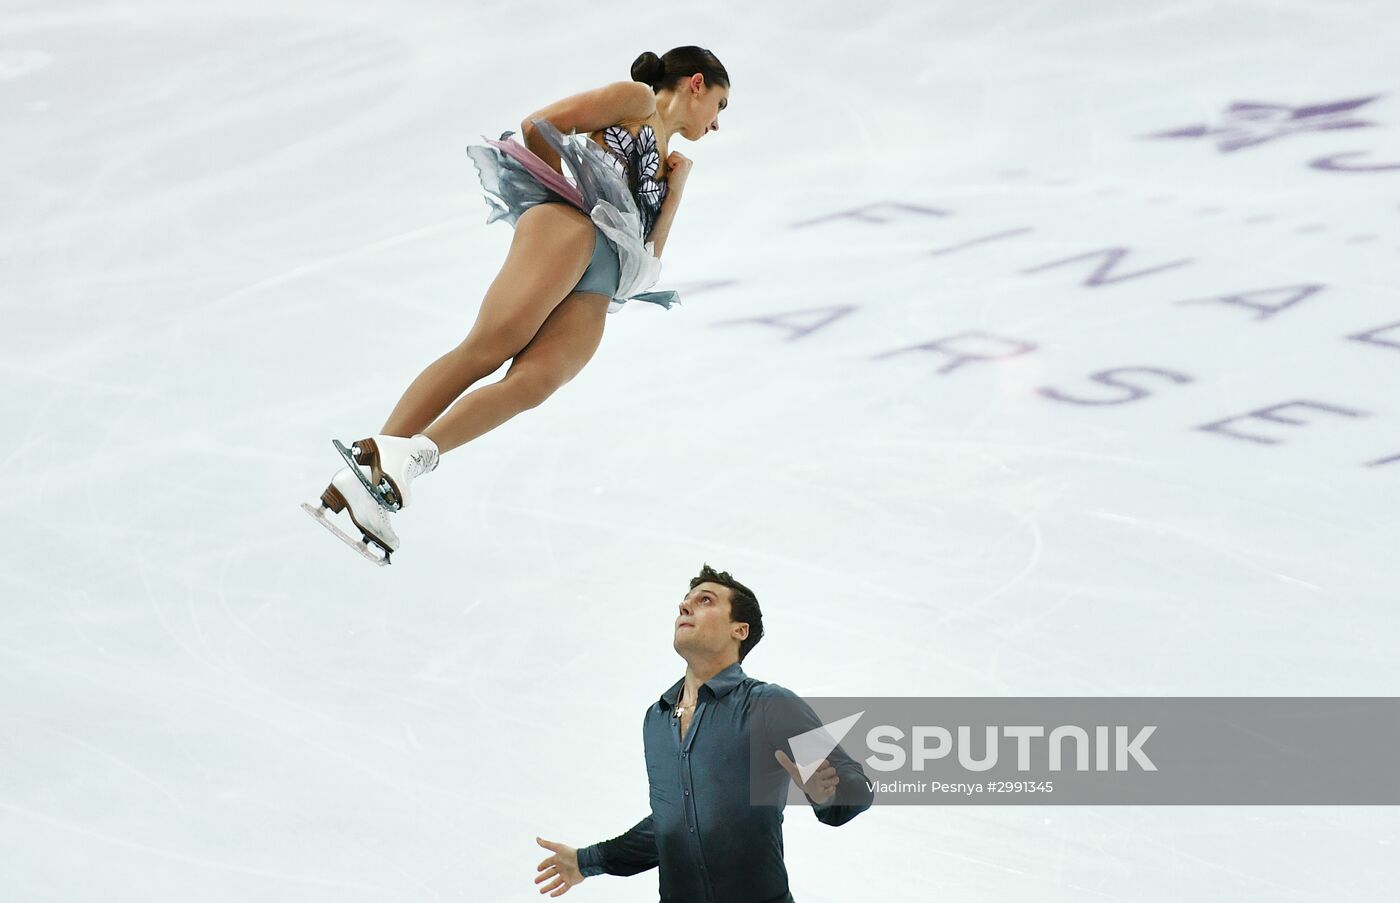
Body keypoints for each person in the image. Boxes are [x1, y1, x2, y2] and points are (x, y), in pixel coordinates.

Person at [305, 47, 731, 562]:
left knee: (534, 383)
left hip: (605, 278)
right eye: (720, 106)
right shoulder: (636, 100)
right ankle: (360, 472)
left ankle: (398, 462)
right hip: (569, 232)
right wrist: (567, 202)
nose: (716, 124)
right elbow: (538, 126)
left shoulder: (671, 164)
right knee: (490, 347)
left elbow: (650, 259)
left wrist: (676, 189)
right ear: (696, 84)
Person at [533, 565, 874, 901]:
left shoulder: (769, 705)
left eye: (706, 601)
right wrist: (585, 862)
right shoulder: (657, 718)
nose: (685, 607)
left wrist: (829, 794)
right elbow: (672, 827)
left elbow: (856, 784)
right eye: (686, 601)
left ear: (739, 630)